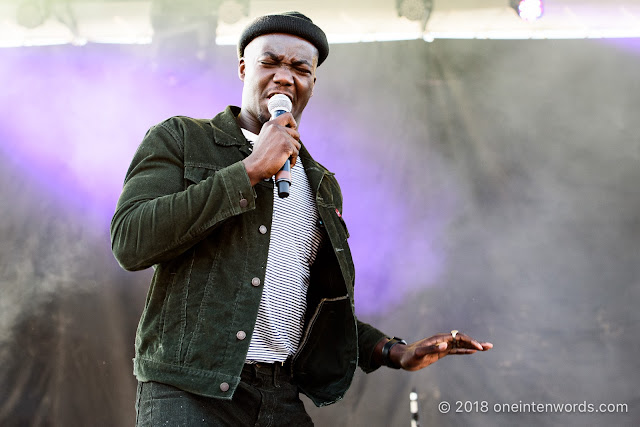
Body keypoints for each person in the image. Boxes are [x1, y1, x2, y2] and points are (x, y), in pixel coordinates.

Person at [110, 11, 493, 426]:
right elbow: (132, 241)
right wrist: (250, 169)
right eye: (269, 62)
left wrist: (394, 351)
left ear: (312, 83)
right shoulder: (181, 138)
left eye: (299, 68)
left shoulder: (321, 184)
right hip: (189, 391)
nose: (284, 77)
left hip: (278, 393)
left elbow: (312, 301)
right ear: (243, 67)